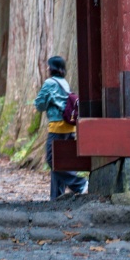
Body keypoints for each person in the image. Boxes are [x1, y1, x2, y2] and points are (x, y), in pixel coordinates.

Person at [34, 54, 87, 199]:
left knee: (52, 160)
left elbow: (39, 104)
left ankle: (80, 184)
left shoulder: (50, 83)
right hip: (70, 127)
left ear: (52, 68)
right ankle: (56, 197)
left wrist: (43, 104)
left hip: (57, 126)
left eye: (48, 65)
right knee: (61, 160)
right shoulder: (64, 82)